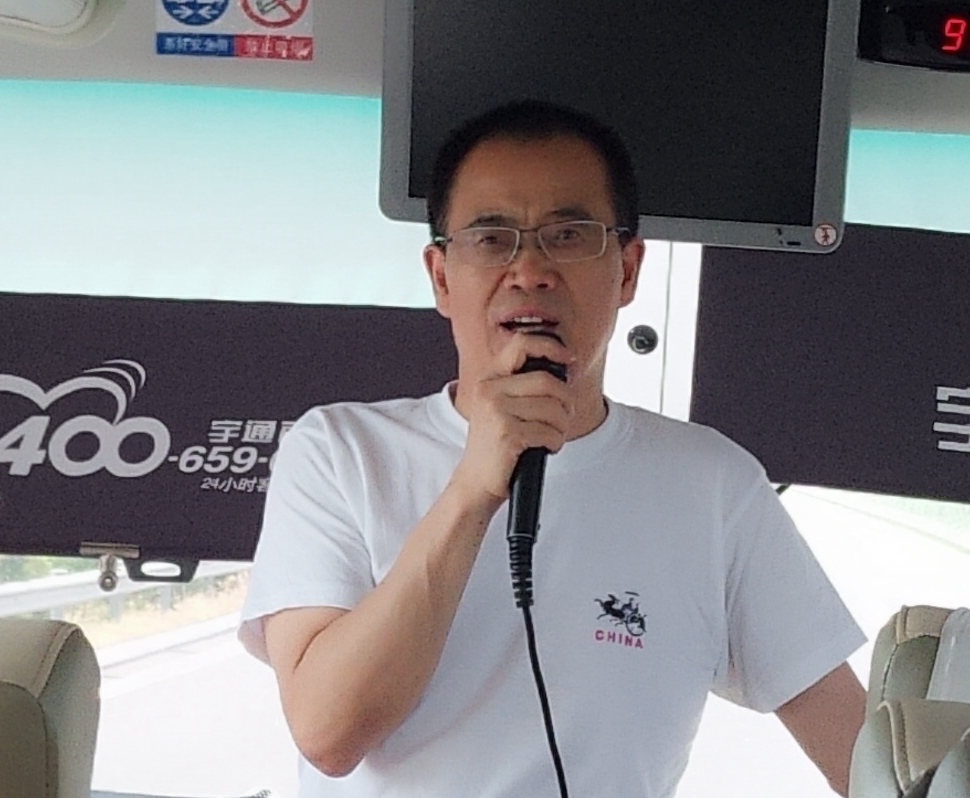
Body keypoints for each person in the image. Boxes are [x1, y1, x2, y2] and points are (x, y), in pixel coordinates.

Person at [239, 100, 867, 797]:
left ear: (627, 270)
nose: (529, 270)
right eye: (491, 238)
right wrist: (473, 490)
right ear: (441, 276)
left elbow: (861, 753)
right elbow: (329, 734)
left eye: (568, 236)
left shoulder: (714, 486)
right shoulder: (340, 452)